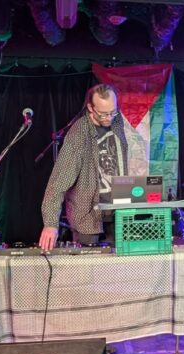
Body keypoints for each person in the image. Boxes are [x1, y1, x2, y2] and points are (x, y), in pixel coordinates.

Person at [39, 84, 128, 251]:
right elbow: (59, 181)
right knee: (89, 271)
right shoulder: (79, 134)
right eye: (103, 114)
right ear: (90, 108)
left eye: (112, 112)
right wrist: (50, 224)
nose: (109, 118)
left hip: (117, 209)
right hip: (87, 214)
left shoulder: (117, 121)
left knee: (119, 268)